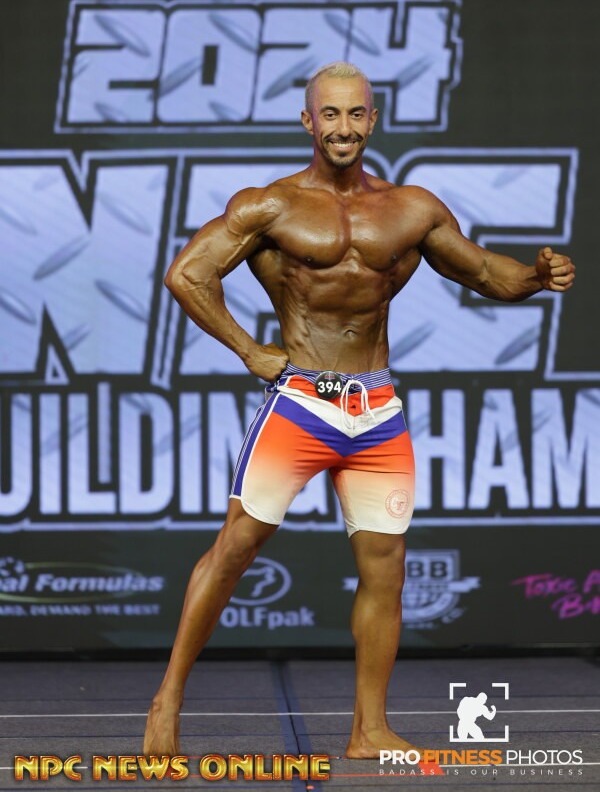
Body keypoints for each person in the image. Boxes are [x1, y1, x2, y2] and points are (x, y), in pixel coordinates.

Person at [143, 62, 576, 759]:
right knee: (235, 548)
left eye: (355, 114)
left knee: (386, 569)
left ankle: (368, 729)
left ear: (372, 121)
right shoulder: (270, 206)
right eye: (330, 114)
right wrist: (250, 350)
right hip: (301, 403)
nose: (342, 128)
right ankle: (167, 700)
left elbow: (480, 271)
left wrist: (534, 277)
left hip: (376, 410)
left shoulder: (412, 208)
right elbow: (187, 274)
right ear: (308, 121)